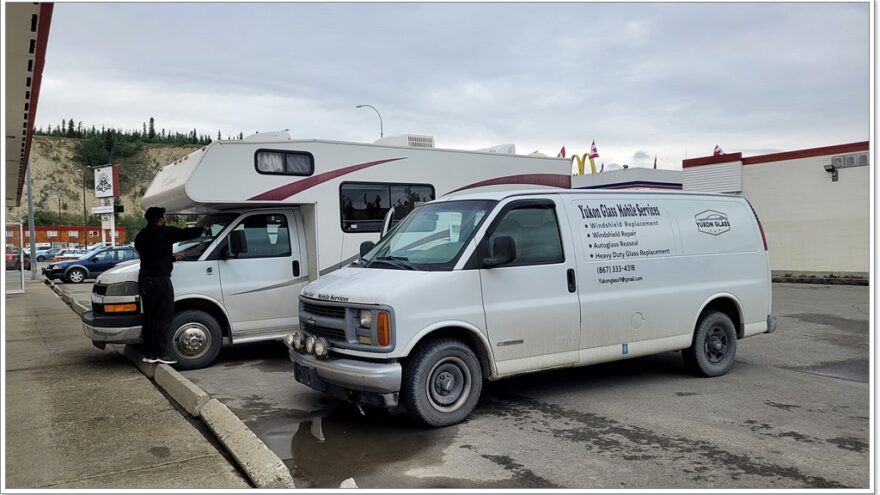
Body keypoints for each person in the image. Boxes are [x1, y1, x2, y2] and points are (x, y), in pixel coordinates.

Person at [134, 207, 207, 364]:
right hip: (160, 280)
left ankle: (149, 353)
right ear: (160, 219)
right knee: (163, 317)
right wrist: (203, 229)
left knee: (150, 317)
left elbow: (152, 255)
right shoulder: (164, 232)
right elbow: (184, 233)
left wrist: (171, 258)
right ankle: (160, 353)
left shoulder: (141, 236)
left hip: (145, 280)